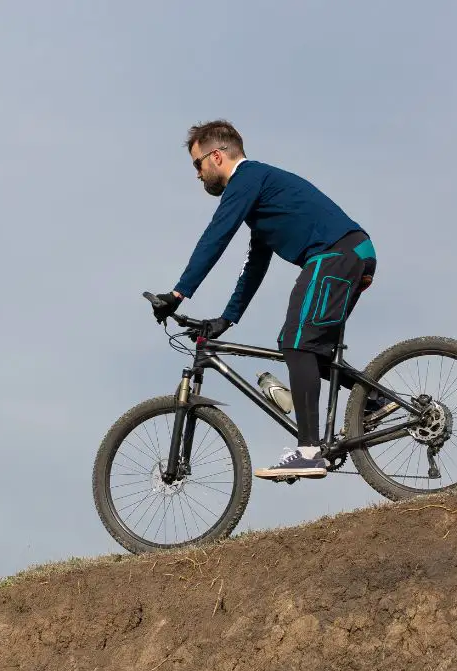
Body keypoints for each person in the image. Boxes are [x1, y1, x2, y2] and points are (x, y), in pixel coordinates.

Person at [150, 120, 384, 481]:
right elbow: (254, 266)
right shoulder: (260, 199)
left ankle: (309, 452)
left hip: (336, 254)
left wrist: (179, 293)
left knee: (295, 342)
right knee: (311, 350)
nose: (197, 174)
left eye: (197, 164)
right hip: (350, 253)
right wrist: (226, 320)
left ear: (216, 156)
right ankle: (374, 401)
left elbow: (217, 235)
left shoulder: (246, 179)